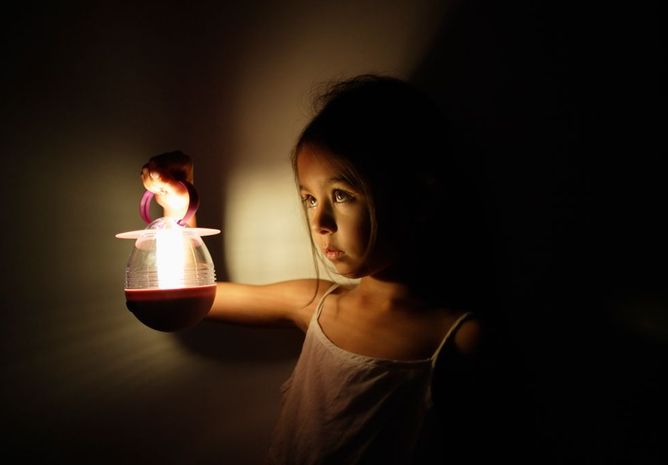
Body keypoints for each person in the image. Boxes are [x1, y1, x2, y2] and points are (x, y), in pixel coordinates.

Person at [140, 75, 526, 464]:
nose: (319, 220)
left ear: (419, 199)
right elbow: (182, 299)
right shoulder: (315, 303)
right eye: (309, 198)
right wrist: (179, 209)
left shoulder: (462, 340)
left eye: (342, 195)